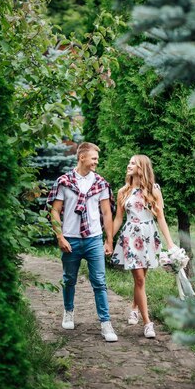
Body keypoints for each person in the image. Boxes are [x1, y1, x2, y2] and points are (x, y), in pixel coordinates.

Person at [47, 142, 118, 342]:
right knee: (69, 279)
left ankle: (105, 323)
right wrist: (60, 237)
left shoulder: (101, 184)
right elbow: (54, 210)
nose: (97, 162)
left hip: (94, 239)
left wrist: (109, 240)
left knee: (100, 282)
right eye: (94, 158)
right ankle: (68, 311)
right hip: (71, 239)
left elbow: (106, 213)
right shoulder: (64, 182)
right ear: (82, 158)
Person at [111, 155, 176, 338]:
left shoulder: (153, 190)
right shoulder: (123, 191)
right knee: (139, 279)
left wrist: (170, 244)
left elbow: (160, 217)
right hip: (131, 237)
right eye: (129, 162)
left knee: (142, 279)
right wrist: (108, 240)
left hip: (149, 236)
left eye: (133, 163)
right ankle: (148, 323)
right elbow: (118, 218)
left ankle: (134, 307)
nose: (128, 165)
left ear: (142, 168)